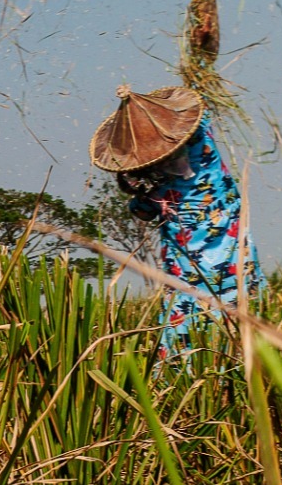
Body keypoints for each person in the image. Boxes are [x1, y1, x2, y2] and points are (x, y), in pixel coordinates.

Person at [90, 84, 258, 358]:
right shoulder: (204, 146)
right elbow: (196, 103)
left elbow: (141, 211)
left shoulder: (155, 182)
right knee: (241, 321)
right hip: (234, 263)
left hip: (187, 275)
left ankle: (188, 376)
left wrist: (138, 190)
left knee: (184, 331)